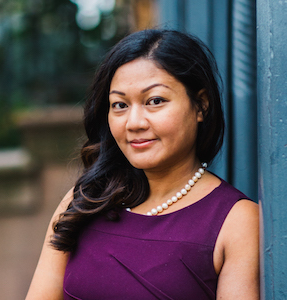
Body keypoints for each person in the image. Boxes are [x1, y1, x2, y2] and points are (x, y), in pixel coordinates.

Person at [26, 29, 259, 299]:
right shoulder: (84, 202)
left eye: (155, 101)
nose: (134, 123)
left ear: (201, 106)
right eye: (120, 105)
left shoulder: (237, 221)